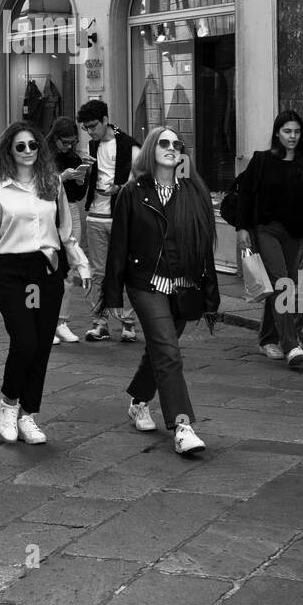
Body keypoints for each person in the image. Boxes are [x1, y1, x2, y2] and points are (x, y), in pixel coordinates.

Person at [101, 128, 218, 454]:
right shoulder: (131, 193)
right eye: (164, 143)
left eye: (176, 144)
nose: (171, 148)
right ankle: (183, 426)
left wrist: (210, 294)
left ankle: (139, 401)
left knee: (159, 349)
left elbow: (205, 249)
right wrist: (112, 298)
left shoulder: (194, 193)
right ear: (151, 149)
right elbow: (118, 247)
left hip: (184, 288)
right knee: (168, 351)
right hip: (146, 285)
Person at [0, 123, 91, 446]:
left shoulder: (52, 183)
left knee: (41, 345)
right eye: (20, 147)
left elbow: (65, 230)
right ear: (9, 152)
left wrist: (80, 263)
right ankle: (8, 403)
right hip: (13, 270)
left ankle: (29, 414)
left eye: (33, 146)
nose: (28, 152)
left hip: (47, 268)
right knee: (24, 340)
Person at [235, 110, 303, 368]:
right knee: (281, 282)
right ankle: (291, 345)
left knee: (282, 285)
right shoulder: (261, 161)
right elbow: (245, 195)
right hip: (266, 229)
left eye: (296, 131)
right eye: (287, 131)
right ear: (277, 133)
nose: (292, 136)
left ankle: (267, 339)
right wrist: (242, 229)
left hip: (295, 233)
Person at [76, 99, 140, 343]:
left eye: (93, 126)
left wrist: (120, 188)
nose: (90, 132)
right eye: (86, 128)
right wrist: (82, 172)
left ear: (105, 120)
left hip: (121, 217)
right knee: (98, 273)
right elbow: (84, 184)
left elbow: (142, 182)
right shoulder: (91, 148)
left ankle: (128, 323)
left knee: (126, 270)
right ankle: (99, 322)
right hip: (95, 215)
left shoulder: (130, 146)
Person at [44, 117, 91, 344]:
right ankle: (44, 323)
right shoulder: (41, 156)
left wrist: (82, 178)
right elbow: (38, 188)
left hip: (70, 210)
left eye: (73, 142)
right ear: (55, 138)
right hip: (46, 211)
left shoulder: (73, 156)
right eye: (65, 142)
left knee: (70, 267)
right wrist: (62, 178)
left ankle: (60, 321)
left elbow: (78, 196)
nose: (70, 146)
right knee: (46, 267)